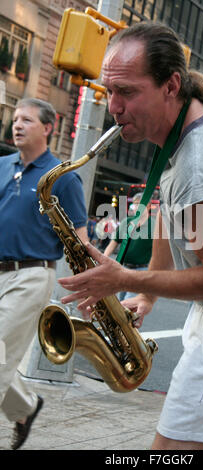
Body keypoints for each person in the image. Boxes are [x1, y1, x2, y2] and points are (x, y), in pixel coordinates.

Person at [58, 22, 203, 450]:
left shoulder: (199, 165)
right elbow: (170, 213)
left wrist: (126, 279)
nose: (113, 106)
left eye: (127, 91)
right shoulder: (191, 128)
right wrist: (149, 294)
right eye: (109, 91)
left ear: (171, 85)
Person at [0, 98, 88, 450]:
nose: (17, 125)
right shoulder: (3, 165)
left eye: (27, 120)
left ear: (48, 128)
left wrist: (89, 290)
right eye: (15, 119)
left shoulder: (63, 177)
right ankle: (25, 407)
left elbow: (80, 240)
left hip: (32, 274)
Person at [104, 192, 155, 300]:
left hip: (141, 271)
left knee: (127, 304)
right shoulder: (126, 222)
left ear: (149, 205)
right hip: (123, 268)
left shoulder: (154, 225)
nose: (136, 207)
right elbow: (113, 244)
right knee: (119, 301)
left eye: (139, 204)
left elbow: (159, 252)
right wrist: (102, 260)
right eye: (134, 204)